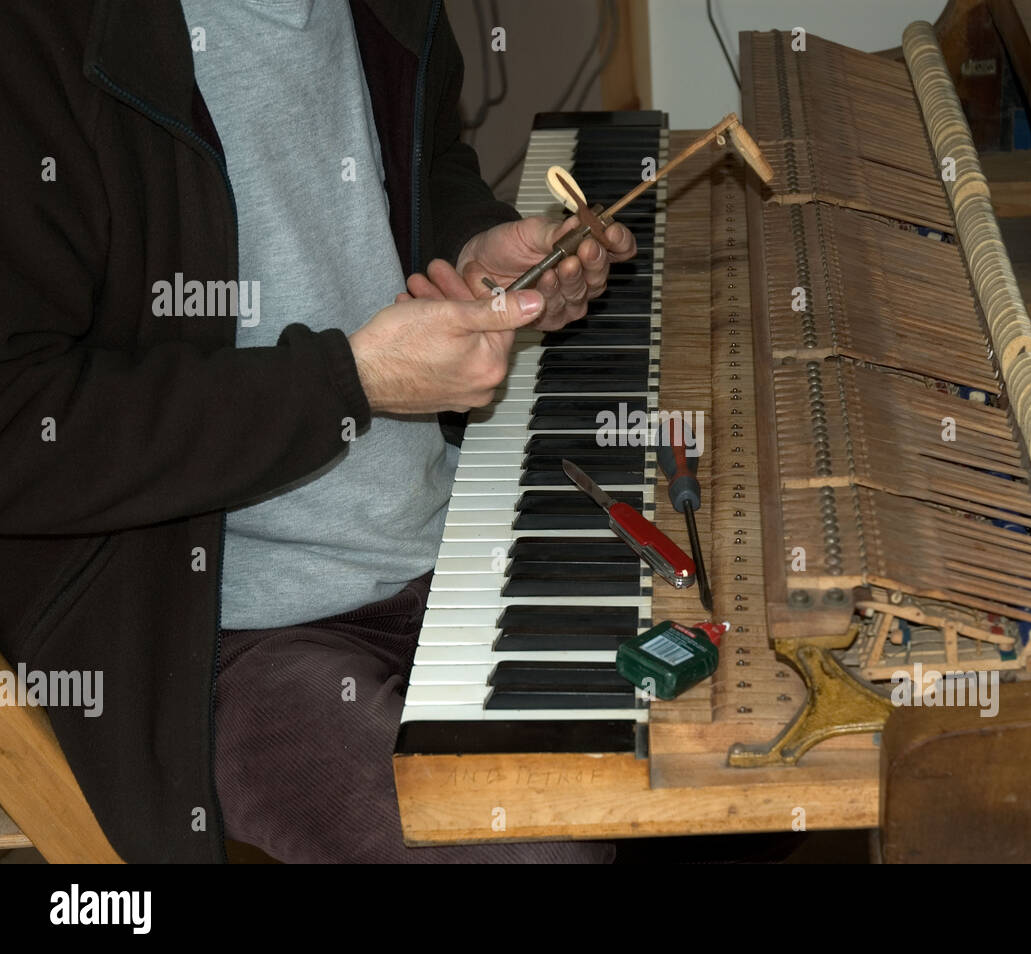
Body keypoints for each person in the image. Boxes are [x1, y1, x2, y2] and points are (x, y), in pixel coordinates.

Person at [0, 0, 633, 862]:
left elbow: (419, 164)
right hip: (221, 631)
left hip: (442, 539)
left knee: (717, 737)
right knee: (526, 852)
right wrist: (351, 382)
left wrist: (471, 249)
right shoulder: (36, 38)